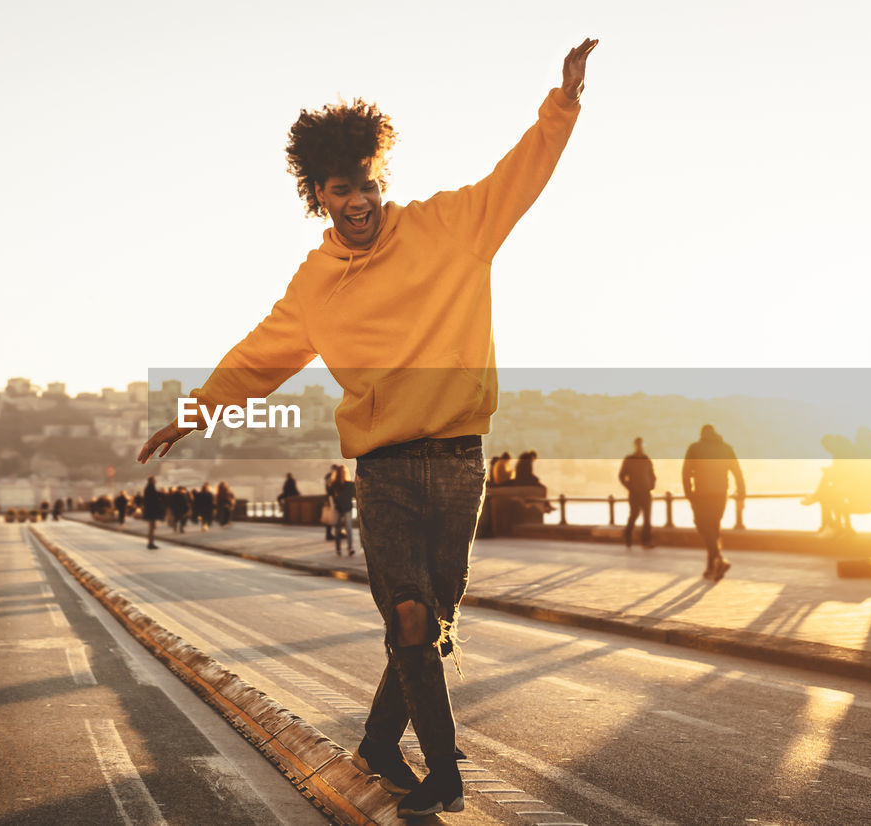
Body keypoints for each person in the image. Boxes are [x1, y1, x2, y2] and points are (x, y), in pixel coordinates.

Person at [137, 37, 595, 819]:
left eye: (370, 185)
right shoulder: (315, 285)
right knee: (410, 617)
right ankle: (444, 771)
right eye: (343, 189)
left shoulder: (452, 226)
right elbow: (258, 357)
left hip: (458, 461)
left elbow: (523, 175)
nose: (361, 201)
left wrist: (562, 103)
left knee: (430, 626)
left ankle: (380, 745)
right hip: (382, 471)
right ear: (317, 192)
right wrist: (193, 412)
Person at [681, 425, 744, 581]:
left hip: (701, 495)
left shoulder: (694, 448)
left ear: (702, 434)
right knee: (714, 528)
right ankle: (711, 567)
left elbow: (685, 472)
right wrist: (741, 494)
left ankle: (719, 560)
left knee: (704, 526)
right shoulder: (726, 448)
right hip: (720, 495)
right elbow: (737, 472)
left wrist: (689, 494)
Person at [618, 437, 656, 549]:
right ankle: (628, 533)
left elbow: (652, 475)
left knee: (647, 517)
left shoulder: (646, 459)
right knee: (634, 514)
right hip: (634, 493)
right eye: (638, 444)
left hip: (646, 492)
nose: (640, 446)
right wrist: (630, 487)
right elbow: (621, 476)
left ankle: (646, 541)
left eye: (641, 444)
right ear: (635, 445)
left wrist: (652, 485)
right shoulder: (629, 459)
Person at [332, 465, 357, 556]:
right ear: (338, 473)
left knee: (348, 529)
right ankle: (338, 549)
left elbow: (354, 495)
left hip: (348, 508)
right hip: (338, 509)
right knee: (338, 530)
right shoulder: (334, 484)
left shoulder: (350, 484)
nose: (342, 473)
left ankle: (350, 548)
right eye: (340, 472)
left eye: (343, 472)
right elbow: (330, 495)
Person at [142, 477, 166, 549]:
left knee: (152, 528)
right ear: (152, 481)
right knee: (152, 528)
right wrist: (161, 493)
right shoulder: (150, 488)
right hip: (152, 511)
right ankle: (150, 543)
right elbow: (155, 497)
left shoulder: (148, 488)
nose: (156, 481)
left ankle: (151, 542)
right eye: (155, 480)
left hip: (150, 511)